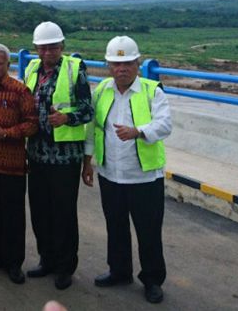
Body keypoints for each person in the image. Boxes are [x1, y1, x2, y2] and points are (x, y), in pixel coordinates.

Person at [83, 36, 172, 304]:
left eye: (127, 63)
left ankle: (153, 280)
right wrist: (87, 161)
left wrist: (139, 132)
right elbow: (92, 129)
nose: (121, 68)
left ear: (138, 63)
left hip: (144, 177)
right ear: (109, 65)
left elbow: (165, 125)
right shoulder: (101, 91)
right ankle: (119, 271)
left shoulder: (151, 90)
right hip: (111, 175)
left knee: (148, 231)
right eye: (116, 63)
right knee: (116, 226)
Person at [24, 21, 93, 290]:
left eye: (53, 47)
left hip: (65, 157)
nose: (48, 52)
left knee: (63, 212)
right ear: (36, 48)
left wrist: (67, 117)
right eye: (43, 47)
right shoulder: (31, 69)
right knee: (40, 211)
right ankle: (47, 260)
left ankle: (65, 267)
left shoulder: (76, 69)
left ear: (62, 46)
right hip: (37, 154)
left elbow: (89, 110)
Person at [0, 44, 38, 285]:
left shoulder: (19, 90)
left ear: (8, 65)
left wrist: (7, 133)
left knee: (12, 216)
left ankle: (14, 263)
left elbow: (32, 124)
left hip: (12, 166)